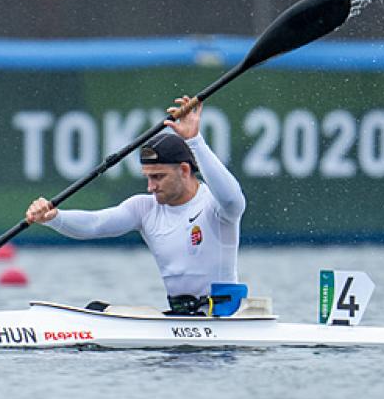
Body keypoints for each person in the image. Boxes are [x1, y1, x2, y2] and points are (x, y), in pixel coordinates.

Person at [25, 95, 246, 315]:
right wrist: (53, 218)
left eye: (158, 177)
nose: (151, 187)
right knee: (97, 309)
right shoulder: (144, 208)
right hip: (182, 320)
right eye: (148, 177)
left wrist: (195, 141)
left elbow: (232, 198)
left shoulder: (215, 207)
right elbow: (95, 224)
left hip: (223, 320)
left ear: (185, 170)